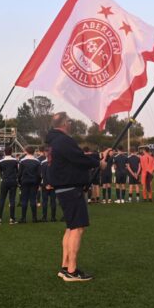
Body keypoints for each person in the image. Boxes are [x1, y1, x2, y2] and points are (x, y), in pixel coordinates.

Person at [45, 112, 107, 282]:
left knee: (71, 228)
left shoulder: (53, 142)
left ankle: (65, 267)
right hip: (71, 189)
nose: (71, 124)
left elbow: (74, 157)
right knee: (78, 228)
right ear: (65, 123)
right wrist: (99, 163)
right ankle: (72, 271)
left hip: (64, 189)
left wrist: (98, 157)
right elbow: (79, 159)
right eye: (70, 121)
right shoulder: (63, 140)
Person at [0, 145, 19, 224]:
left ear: (4, 152)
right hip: (13, 181)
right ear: (11, 152)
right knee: (12, 200)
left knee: (2, 200)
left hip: (4, 181)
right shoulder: (15, 160)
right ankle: (12, 219)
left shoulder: (1, 161)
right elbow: (18, 171)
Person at [18, 146, 42, 223]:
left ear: (26, 151)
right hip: (34, 182)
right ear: (33, 152)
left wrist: (19, 182)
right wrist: (38, 183)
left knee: (24, 200)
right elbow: (39, 175)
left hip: (24, 181)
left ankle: (23, 218)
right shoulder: (37, 161)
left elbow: (19, 174)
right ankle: (34, 218)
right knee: (33, 199)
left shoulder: (22, 161)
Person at [39, 149, 57, 222]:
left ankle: (44, 217)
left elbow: (43, 175)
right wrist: (53, 184)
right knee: (53, 201)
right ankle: (53, 217)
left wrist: (47, 184)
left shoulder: (43, 163)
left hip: (45, 185)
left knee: (45, 201)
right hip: (54, 185)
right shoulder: (56, 163)